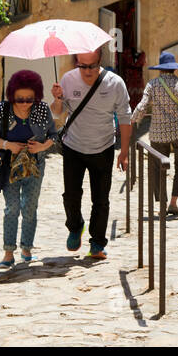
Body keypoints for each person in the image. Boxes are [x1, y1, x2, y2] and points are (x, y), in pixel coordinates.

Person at [50, 48, 132, 260]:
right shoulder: (68, 79)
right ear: (77, 63)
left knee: (101, 199)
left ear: (100, 62)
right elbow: (58, 112)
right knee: (71, 195)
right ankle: (75, 227)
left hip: (103, 147)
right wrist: (58, 99)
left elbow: (125, 117)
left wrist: (124, 151)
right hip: (73, 146)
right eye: (82, 66)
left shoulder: (115, 83)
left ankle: (97, 243)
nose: (87, 71)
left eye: (92, 66)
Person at [0, 70, 55, 268]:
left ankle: (27, 249)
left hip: (35, 166)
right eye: (20, 99)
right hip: (9, 167)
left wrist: (42, 146)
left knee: (30, 208)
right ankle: (8, 252)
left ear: (36, 96)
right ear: (12, 95)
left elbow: (54, 135)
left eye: (29, 99)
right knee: (11, 208)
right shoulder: (1, 109)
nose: (24, 103)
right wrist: (8, 145)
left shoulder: (42, 109)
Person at [131, 51, 178, 218]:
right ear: (174, 69)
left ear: (161, 69)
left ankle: (162, 204)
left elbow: (142, 106)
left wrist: (132, 120)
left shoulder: (152, 84)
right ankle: (173, 202)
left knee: (157, 169)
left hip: (158, 134)